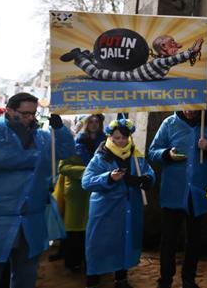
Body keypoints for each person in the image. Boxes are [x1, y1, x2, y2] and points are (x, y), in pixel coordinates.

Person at [0, 92, 75, 288]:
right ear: (9, 111)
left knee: (26, 275)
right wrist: (38, 158)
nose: (30, 118)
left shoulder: (42, 136)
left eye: (33, 113)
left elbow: (66, 151)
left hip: (31, 218)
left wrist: (59, 129)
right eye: (25, 113)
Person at [148, 110, 207, 288]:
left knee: (194, 239)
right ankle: (165, 280)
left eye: (193, 107)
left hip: (198, 192)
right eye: (186, 106)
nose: (189, 110)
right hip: (173, 191)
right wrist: (167, 154)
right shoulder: (169, 123)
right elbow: (152, 152)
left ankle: (189, 279)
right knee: (168, 239)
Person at [82, 118, 155, 288]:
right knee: (99, 245)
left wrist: (146, 179)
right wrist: (108, 177)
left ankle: (121, 279)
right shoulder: (101, 156)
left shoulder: (136, 155)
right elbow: (86, 181)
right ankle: (92, 281)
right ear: (110, 137)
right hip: (105, 209)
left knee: (125, 242)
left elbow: (149, 173)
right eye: (116, 138)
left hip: (130, 207)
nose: (120, 141)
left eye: (124, 137)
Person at [58, 114, 106, 272]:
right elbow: (63, 167)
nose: (93, 124)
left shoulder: (108, 144)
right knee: (75, 229)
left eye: (96, 121)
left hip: (98, 191)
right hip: (77, 192)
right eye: (90, 121)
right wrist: (87, 171)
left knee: (95, 228)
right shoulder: (74, 143)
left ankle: (92, 263)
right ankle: (73, 262)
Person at [60, 36, 203, 81]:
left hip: (131, 71)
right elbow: (175, 59)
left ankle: (88, 56)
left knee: (104, 67)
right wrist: (192, 51)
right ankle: (78, 56)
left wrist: (190, 53)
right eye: (171, 44)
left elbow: (177, 59)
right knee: (98, 73)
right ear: (163, 47)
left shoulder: (160, 61)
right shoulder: (161, 62)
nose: (175, 47)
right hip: (128, 75)